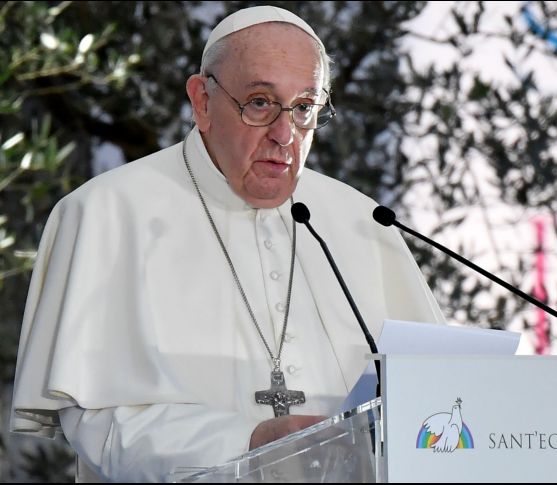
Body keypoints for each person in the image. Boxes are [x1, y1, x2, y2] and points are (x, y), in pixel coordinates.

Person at [10, 6, 445, 482]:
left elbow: (428, 400)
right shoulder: (106, 212)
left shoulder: (360, 219)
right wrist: (251, 443)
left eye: (304, 108)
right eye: (260, 102)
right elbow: (92, 416)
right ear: (202, 100)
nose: (285, 135)